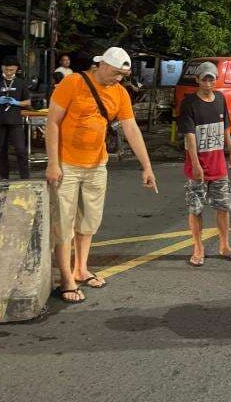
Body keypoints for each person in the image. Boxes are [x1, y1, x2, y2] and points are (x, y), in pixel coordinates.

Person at [45, 47, 157, 303]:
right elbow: (52, 121)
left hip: (97, 166)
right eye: (117, 73)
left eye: (123, 75)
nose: (119, 79)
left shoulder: (119, 93)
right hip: (67, 165)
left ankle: (81, 268)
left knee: (89, 223)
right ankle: (66, 279)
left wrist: (146, 166)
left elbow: (131, 129)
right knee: (63, 224)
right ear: (102, 65)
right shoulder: (73, 82)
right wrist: (53, 163)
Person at [177, 61, 231, 267]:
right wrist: (196, 164)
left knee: (223, 207)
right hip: (197, 168)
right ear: (197, 80)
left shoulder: (221, 99)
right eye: (204, 78)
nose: (207, 83)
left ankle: (225, 245)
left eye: (211, 79)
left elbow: (225, 128)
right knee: (196, 209)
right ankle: (198, 248)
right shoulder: (189, 103)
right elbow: (189, 136)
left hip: (219, 167)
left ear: (216, 80)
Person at [0, 56, 32, 180]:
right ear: (2, 68)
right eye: (6, 69)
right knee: (1, 150)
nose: (8, 72)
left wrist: (17, 102)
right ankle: (4, 177)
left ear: (16, 69)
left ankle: (25, 177)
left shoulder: (21, 82)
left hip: (15, 121)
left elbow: (27, 102)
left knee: (20, 149)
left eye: (11, 70)